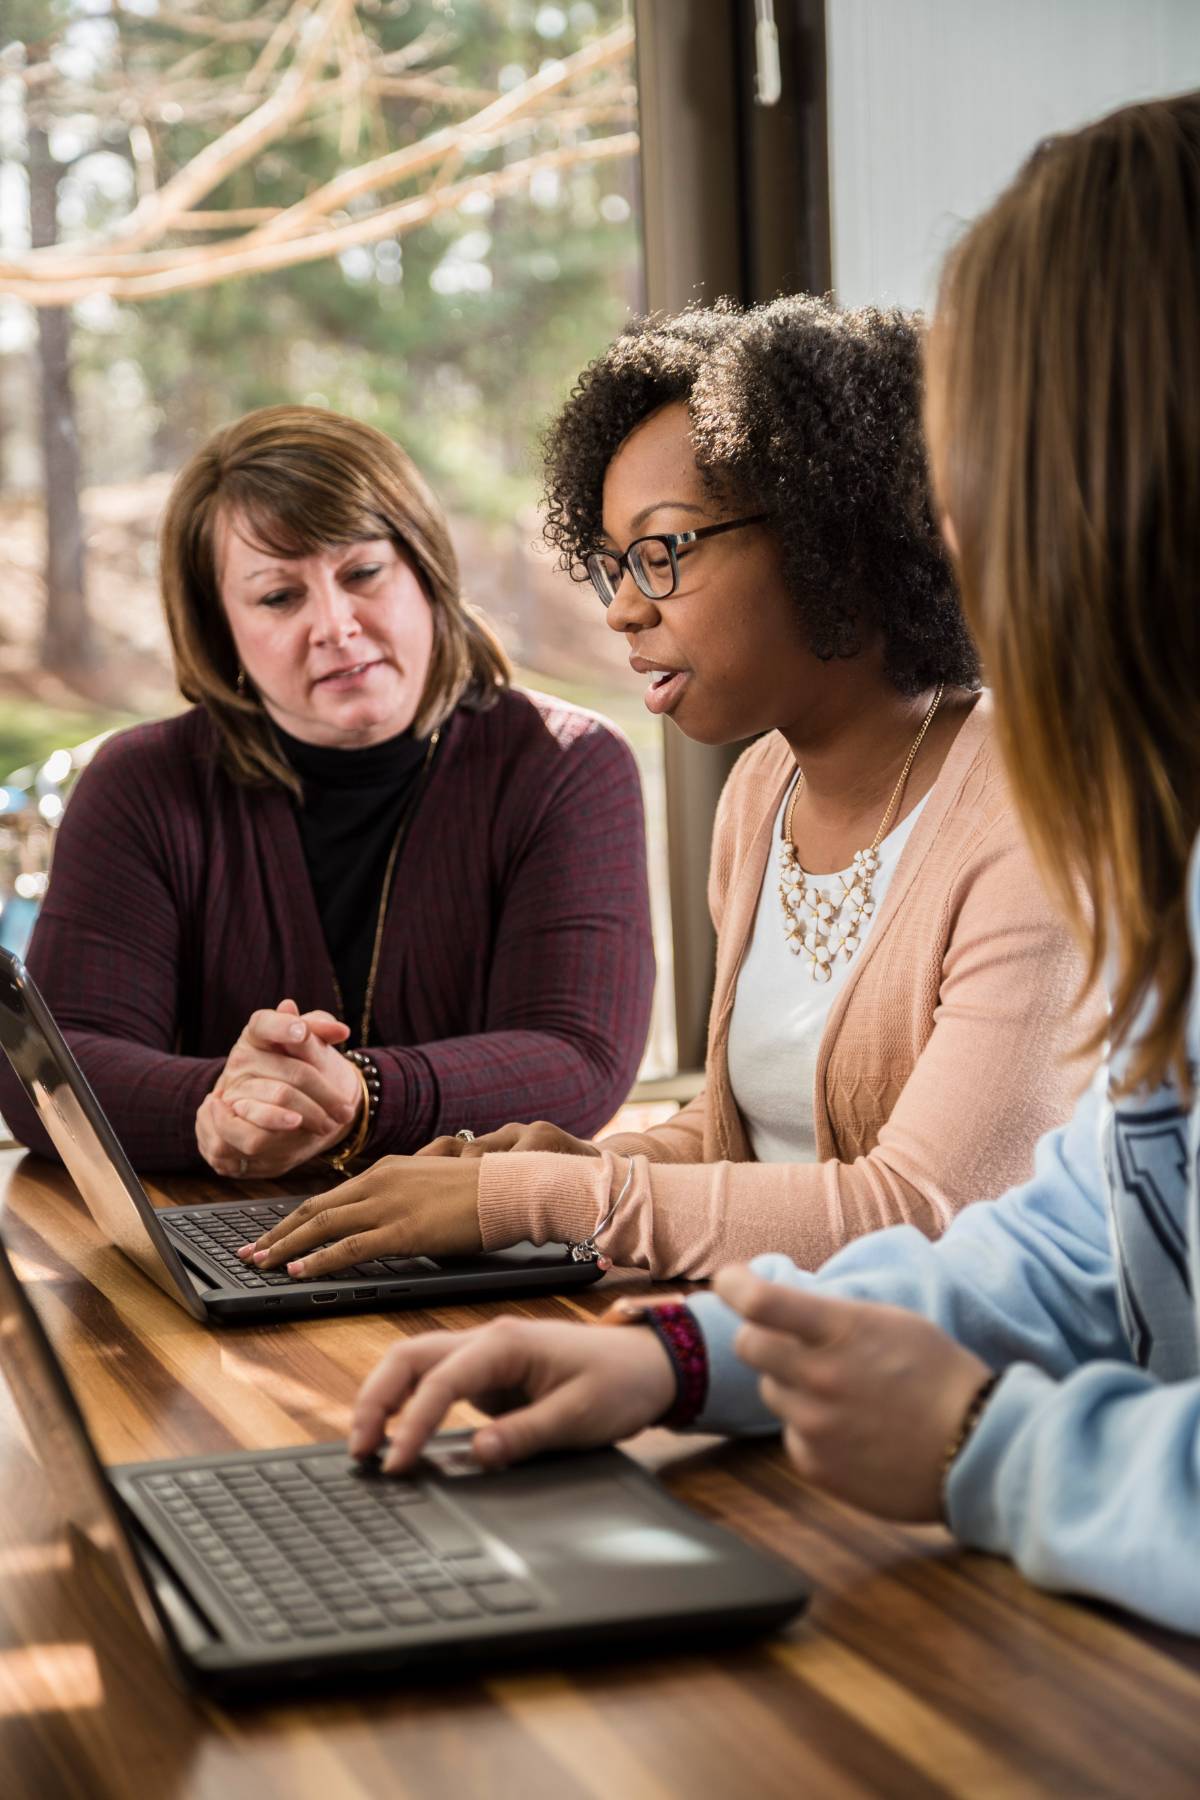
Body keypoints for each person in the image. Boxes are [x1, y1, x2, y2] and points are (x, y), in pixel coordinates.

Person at [338, 92, 1200, 1634]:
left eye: (995, 444)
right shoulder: (1161, 849)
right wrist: (676, 1357)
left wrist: (982, 1447)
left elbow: (933, 1209)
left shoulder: (1050, 809)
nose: (954, 510)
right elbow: (1079, 1249)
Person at [243, 297, 1100, 1282]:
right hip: (783, 1357)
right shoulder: (762, 791)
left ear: (836, 531)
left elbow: (921, 1212)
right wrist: (577, 1167)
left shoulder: (1038, 809)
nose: (620, 609)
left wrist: (527, 1200)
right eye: (614, 563)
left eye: (665, 551)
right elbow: (756, 1140)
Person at [0, 405, 654, 1174]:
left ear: (425, 572)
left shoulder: (565, 764)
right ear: (221, 630)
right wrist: (221, 1107)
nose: (335, 624)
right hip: (222, 1239)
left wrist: (363, 1097)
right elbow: (44, 1069)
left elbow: (576, 1057)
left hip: (476, 1245)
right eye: (280, 597)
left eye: (363, 573)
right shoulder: (141, 784)